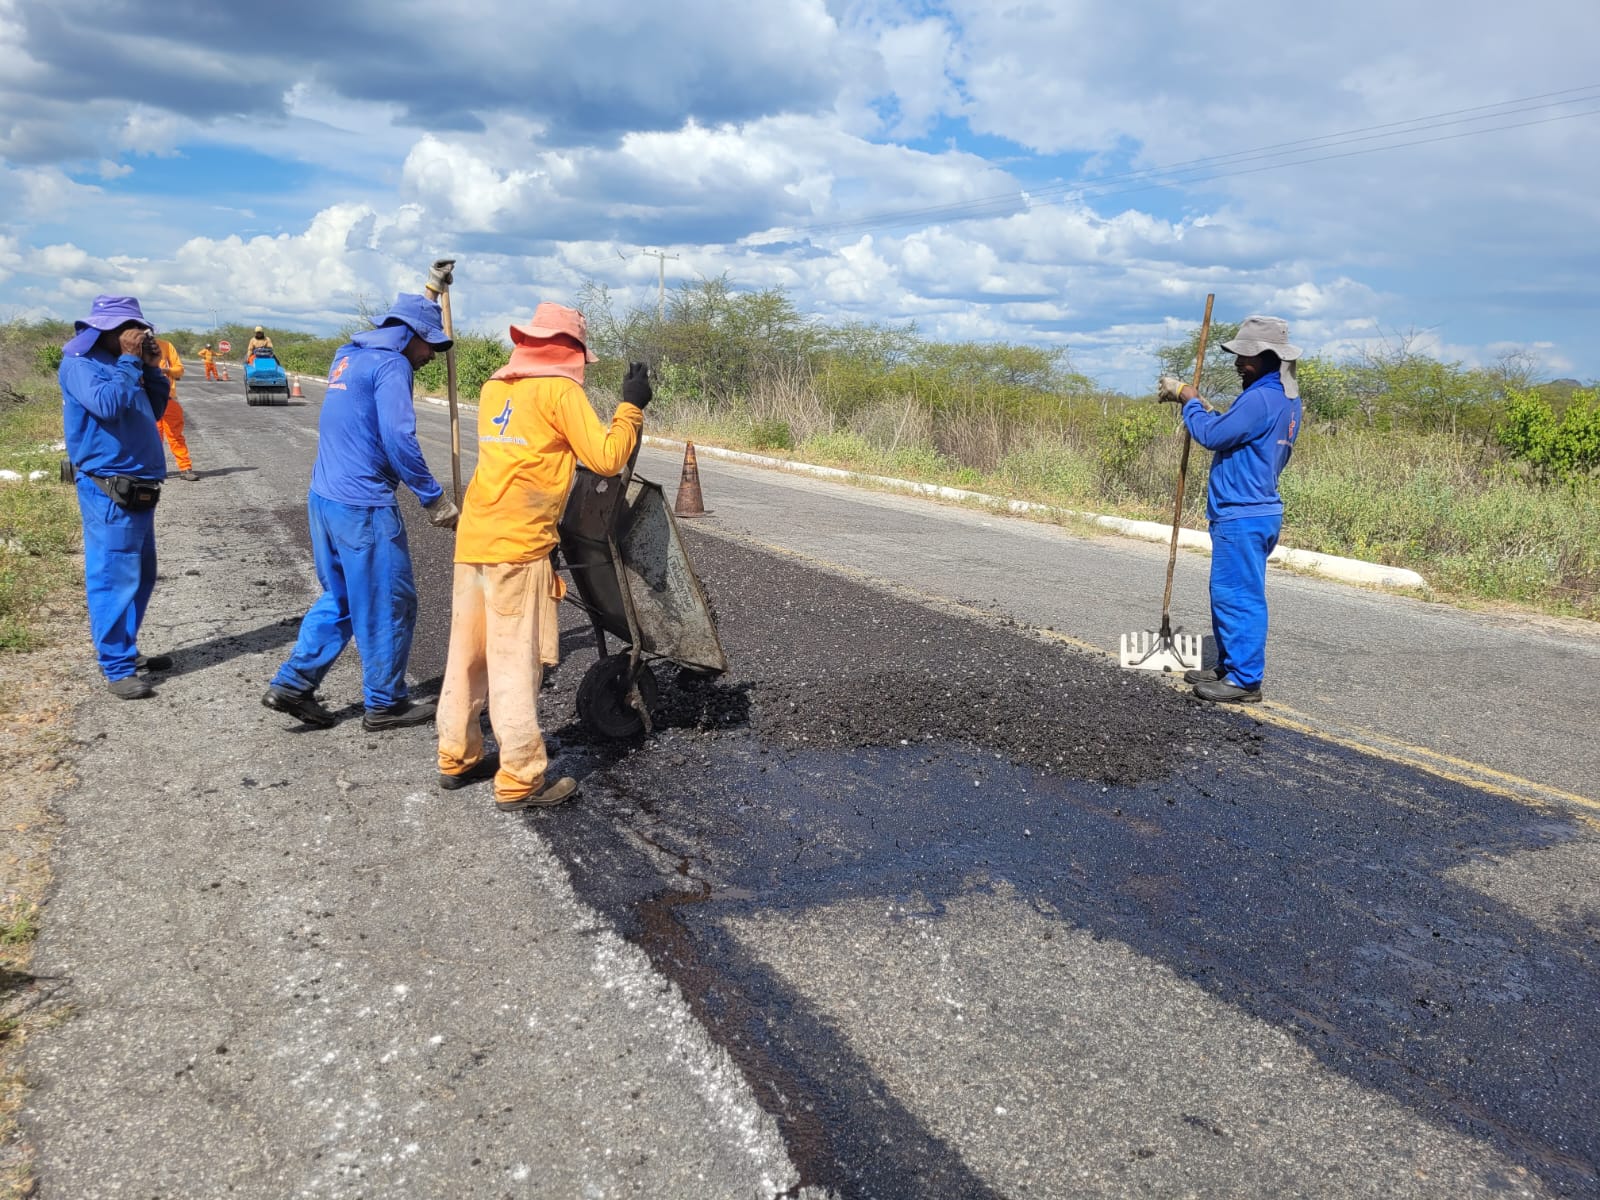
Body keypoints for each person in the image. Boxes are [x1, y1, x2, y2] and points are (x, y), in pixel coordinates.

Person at [435, 304, 649, 811]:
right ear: (569, 351)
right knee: (514, 662)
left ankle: (457, 756)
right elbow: (605, 458)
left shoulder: (494, 386)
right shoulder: (559, 390)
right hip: (518, 545)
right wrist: (631, 407)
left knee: (467, 655)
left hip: (477, 537)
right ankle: (521, 779)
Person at [262, 294, 459, 731]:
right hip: (362, 507)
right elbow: (399, 438)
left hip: (324, 499)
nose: (430, 356)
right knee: (390, 601)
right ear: (410, 337)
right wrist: (433, 498)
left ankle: (294, 683)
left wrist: (430, 288)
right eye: (429, 344)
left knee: (345, 597)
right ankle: (386, 704)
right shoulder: (393, 365)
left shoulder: (348, 356)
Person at [1159, 315, 1303, 704]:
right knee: (1228, 592)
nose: (1239, 362)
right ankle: (1229, 666)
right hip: (1258, 510)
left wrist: (1189, 398)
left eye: (1246, 356)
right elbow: (1239, 433)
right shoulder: (1286, 399)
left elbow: (1210, 435)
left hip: (1244, 512)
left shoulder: (1259, 398)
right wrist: (1204, 406)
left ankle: (1244, 679)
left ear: (1270, 356)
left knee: (1239, 596)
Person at [58, 296, 174, 699]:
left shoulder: (125, 364)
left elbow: (154, 410)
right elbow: (108, 406)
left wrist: (151, 369)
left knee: (140, 575)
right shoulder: (80, 365)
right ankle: (116, 666)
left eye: (138, 330)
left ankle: (127, 651)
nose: (135, 336)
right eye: (128, 330)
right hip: (109, 487)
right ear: (103, 330)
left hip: (139, 485)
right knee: (113, 576)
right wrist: (128, 361)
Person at [153, 338, 198, 481]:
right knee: (152, 437)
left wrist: (166, 370)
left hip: (168, 397)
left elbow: (179, 370)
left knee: (175, 435)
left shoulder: (165, 345)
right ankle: (154, 470)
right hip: (145, 399)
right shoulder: (131, 346)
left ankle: (185, 468)